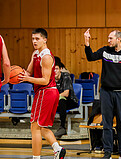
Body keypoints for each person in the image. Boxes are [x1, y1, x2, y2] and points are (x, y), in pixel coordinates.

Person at [84, 29, 121, 159]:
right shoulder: (105, 51)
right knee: (106, 123)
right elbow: (91, 57)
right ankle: (107, 152)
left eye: (110, 38)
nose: (108, 41)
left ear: (118, 39)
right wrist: (87, 42)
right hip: (106, 92)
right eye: (108, 39)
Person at [18, 28, 66, 159]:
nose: (34, 41)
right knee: (41, 126)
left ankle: (36, 157)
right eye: (33, 38)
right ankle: (58, 149)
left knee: (35, 127)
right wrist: (17, 75)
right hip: (45, 92)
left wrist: (28, 79)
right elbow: (28, 72)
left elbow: (45, 80)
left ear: (45, 40)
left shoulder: (46, 57)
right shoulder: (35, 54)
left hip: (46, 91)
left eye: (37, 38)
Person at [54, 60, 78, 138]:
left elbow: (66, 93)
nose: (55, 71)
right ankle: (42, 126)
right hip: (57, 100)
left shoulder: (66, 76)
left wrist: (54, 98)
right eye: (53, 69)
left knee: (62, 100)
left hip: (70, 100)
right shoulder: (50, 78)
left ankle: (62, 127)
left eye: (56, 69)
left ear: (61, 69)